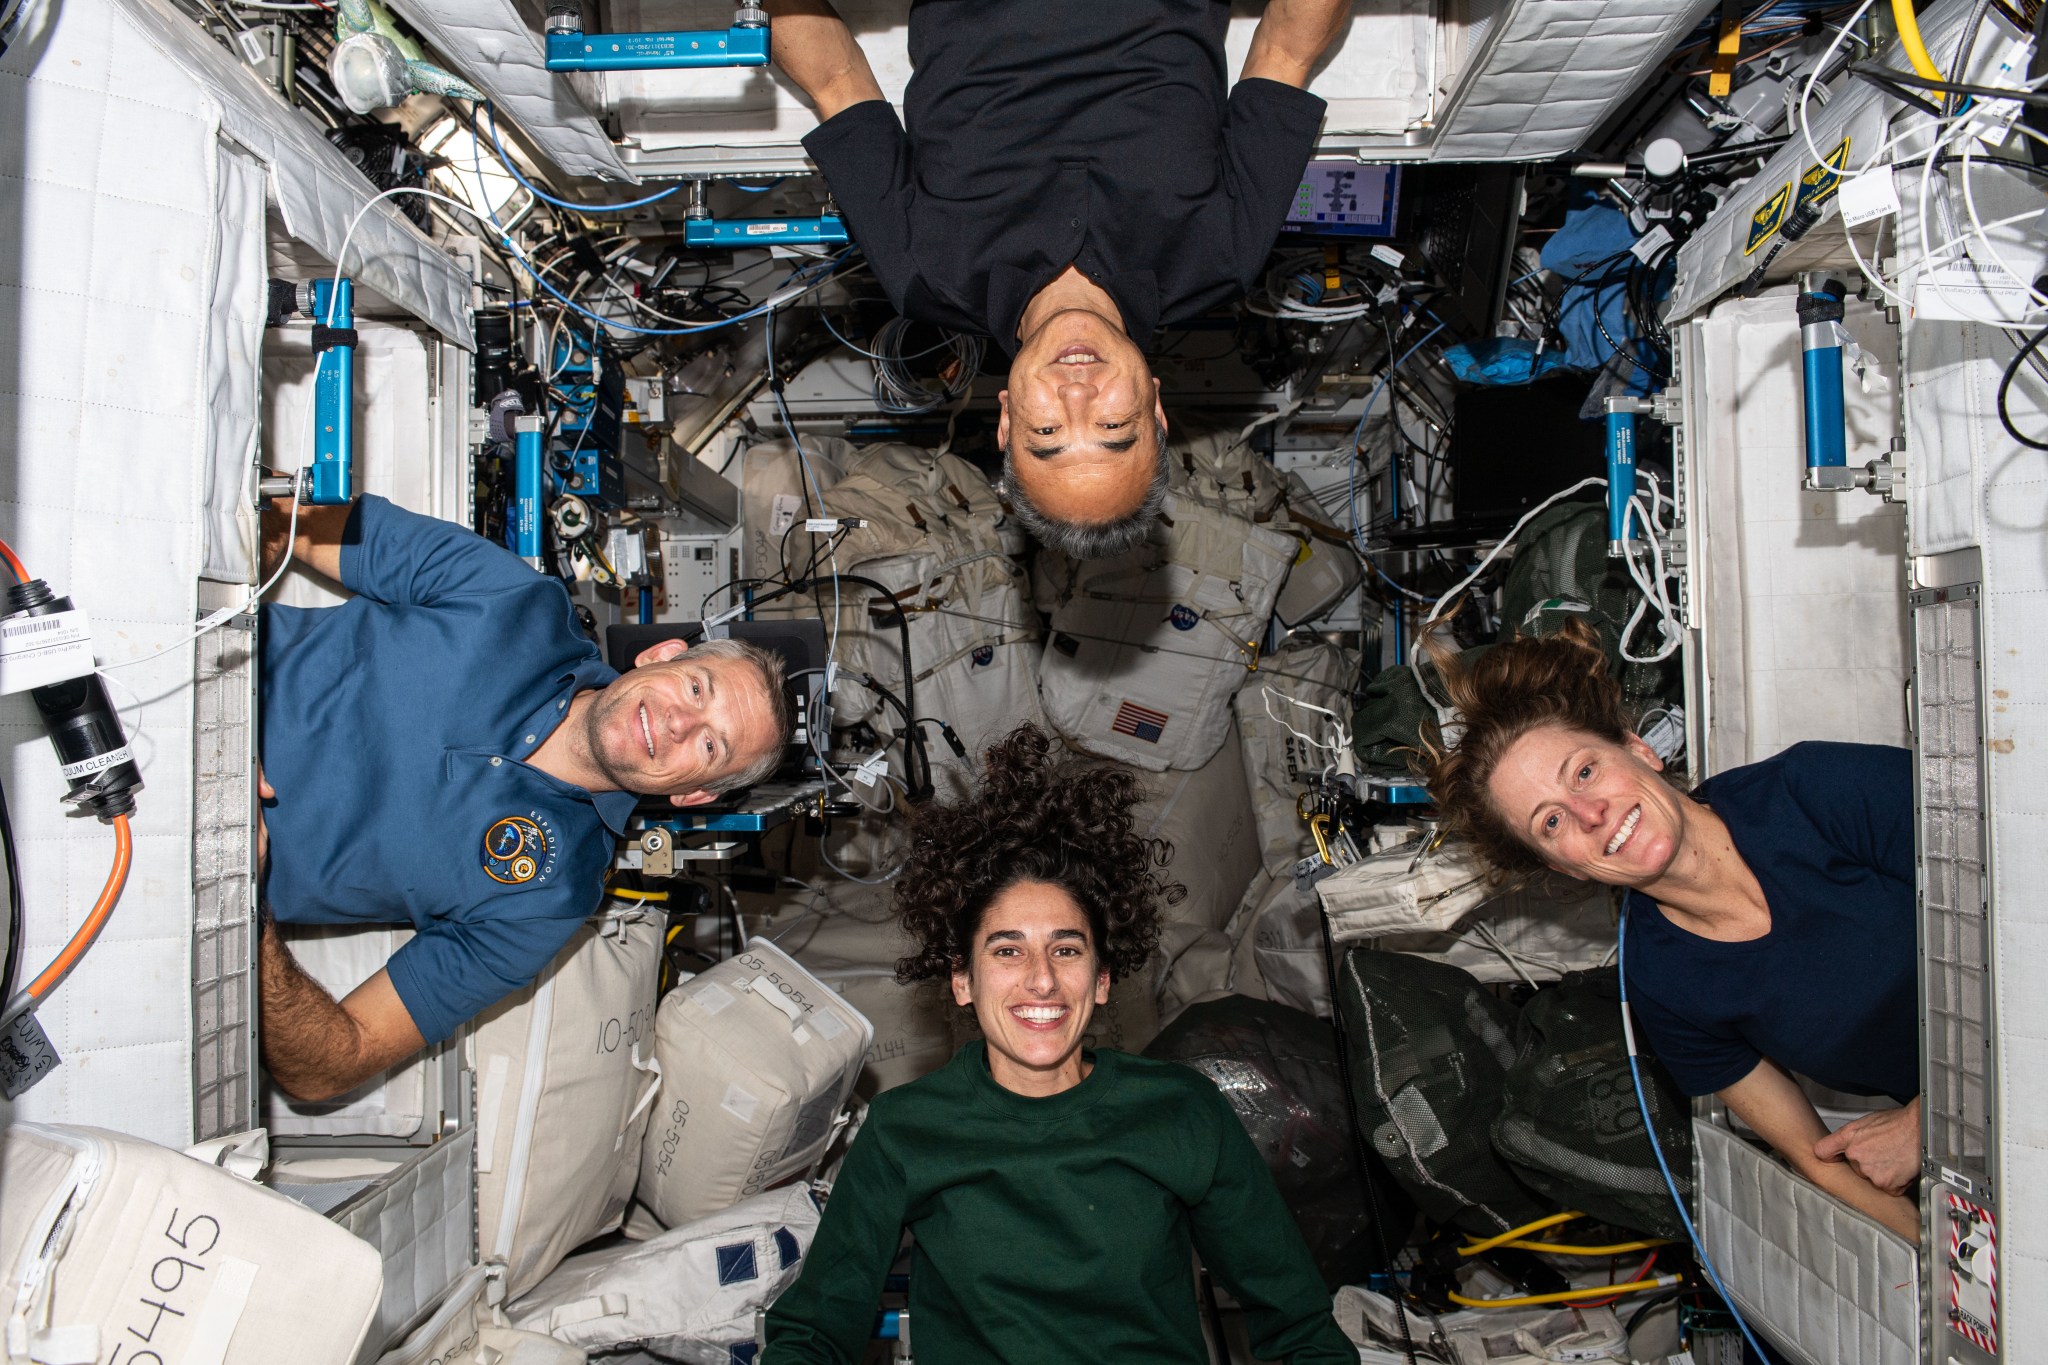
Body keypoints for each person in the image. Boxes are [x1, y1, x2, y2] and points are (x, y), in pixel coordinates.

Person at [764, 724, 1357, 1363]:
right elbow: (815, 1331)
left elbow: (1299, 1328)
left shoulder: (1182, 1112)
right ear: (963, 980)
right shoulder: (907, 1131)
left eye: (1066, 949)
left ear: (1102, 980)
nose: (1041, 979)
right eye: (1008, 949)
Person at [763, 0, 1350, 558]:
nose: (1077, 394)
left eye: (1047, 430)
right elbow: (1285, 51)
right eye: (1113, 426)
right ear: (1157, 412)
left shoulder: (923, 274)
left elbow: (835, 80)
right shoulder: (1222, 261)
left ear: (1007, 420)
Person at [256, 494, 794, 1102]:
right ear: (661, 654)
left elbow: (327, 1064)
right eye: (697, 689)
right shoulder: (515, 600)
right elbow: (291, 518)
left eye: (710, 747)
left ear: (694, 794)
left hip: (183, 872)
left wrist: (247, 899)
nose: (679, 724)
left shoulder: (547, 902)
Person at [1418, 621, 1921, 1242]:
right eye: (1551, 823)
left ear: (1639, 749)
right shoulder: (1662, 984)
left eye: (1583, 773)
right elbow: (1819, 1159)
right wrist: (1954, 1267)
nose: (1590, 813)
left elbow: (2025, 899)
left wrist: (1929, 1124)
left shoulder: (1813, 791)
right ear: (1560, 865)